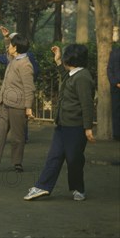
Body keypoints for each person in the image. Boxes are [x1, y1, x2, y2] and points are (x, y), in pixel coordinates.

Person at [24, 44, 96, 201]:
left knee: (74, 159)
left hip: (75, 127)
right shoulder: (74, 74)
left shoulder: (83, 77)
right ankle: (42, 187)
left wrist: (88, 128)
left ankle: (79, 189)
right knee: (54, 157)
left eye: (64, 57)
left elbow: (87, 104)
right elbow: (65, 76)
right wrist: (57, 60)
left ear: (72, 59)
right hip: (63, 125)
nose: (63, 59)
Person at [0, 33, 35, 173]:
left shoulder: (25, 64)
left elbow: (29, 88)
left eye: (11, 45)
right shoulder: (14, 59)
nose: (8, 47)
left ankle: (17, 162)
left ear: (15, 48)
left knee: (17, 136)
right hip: (4, 103)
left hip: (18, 105)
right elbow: (6, 52)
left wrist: (28, 107)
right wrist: (6, 38)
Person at [0, 26, 39, 144]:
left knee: (20, 118)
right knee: (4, 118)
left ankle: (22, 138)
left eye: (12, 43)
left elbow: (32, 76)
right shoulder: (14, 56)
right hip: (9, 93)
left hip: (20, 93)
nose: (9, 47)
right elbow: (6, 56)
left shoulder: (26, 59)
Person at [108, 47, 120, 141]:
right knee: (116, 111)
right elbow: (109, 70)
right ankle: (117, 134)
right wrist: (116, 83)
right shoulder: (114, 52)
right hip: (116, 87)